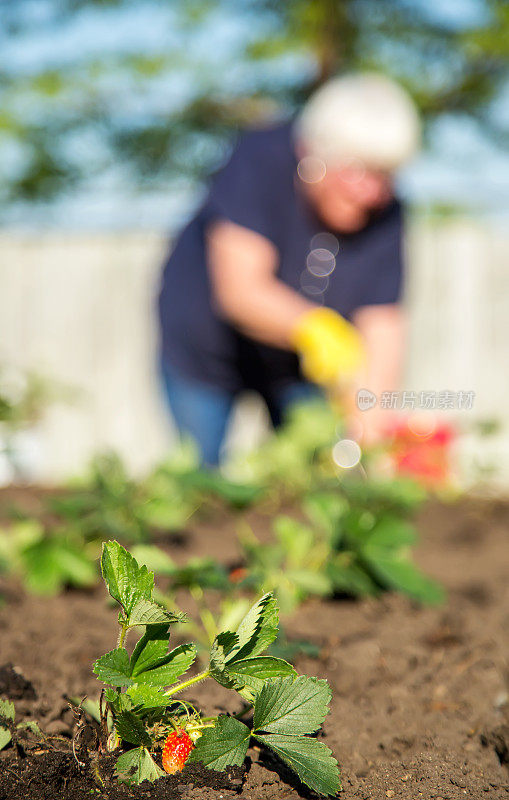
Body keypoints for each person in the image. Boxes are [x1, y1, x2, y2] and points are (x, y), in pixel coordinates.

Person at [158, 73, 421, 465]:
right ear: (313, 155)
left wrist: (364, 443)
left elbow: (383, 325)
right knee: (204, 475)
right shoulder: (259, 161)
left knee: (312, 474)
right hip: (206, 349)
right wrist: (315, 327)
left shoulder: (388, 214)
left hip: (295, 371)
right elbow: (241, 291)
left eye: (384, 175)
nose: (372, 192)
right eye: (357, 172)